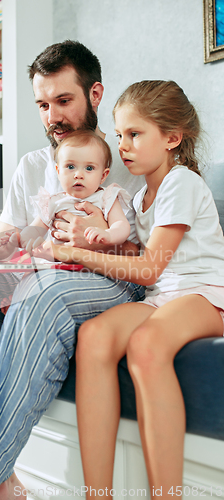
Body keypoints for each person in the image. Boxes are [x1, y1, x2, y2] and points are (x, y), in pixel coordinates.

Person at [0, 41, 146, 500]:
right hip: (36, 270)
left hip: (110, 278)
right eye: (43, 104)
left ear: (94, 94)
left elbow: (153, 257)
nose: (52, 116)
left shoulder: (131, 160)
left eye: (64, 101)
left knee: (38, 295)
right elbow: (11, 234)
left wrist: (91, 239)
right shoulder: (32, 166)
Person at [45, 80, 224, 498]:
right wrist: (91, 240)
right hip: (165, 296)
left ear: (172, 139)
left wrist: (81, 253)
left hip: (207, 293)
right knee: (93, 336)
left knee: (146, 343)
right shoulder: (141, 194)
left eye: (134, 134)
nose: (122, 145)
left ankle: (166, 494)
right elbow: (141, 265)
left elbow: (148, 269)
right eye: (119, 134)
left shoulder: (182, 181)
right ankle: (98, 493)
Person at [5, 130, 131, 254]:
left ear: (103, 176)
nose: (78, 175)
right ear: (58, 172)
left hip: (96, 265)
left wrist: (108, 235)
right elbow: (35, 229)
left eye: (89, 168)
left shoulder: (107, 197)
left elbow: (121, 225)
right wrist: (18, 239)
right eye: (70, 167)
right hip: (60, 264)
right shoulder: (54, 202)